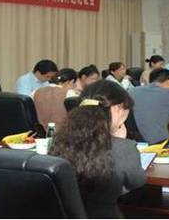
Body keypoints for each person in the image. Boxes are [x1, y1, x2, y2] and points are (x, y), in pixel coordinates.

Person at [50, 80, 146, 218]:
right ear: (118, 108)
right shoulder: (124, 147)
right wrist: (121, 141)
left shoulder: (60, 141)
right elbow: (137, 182)